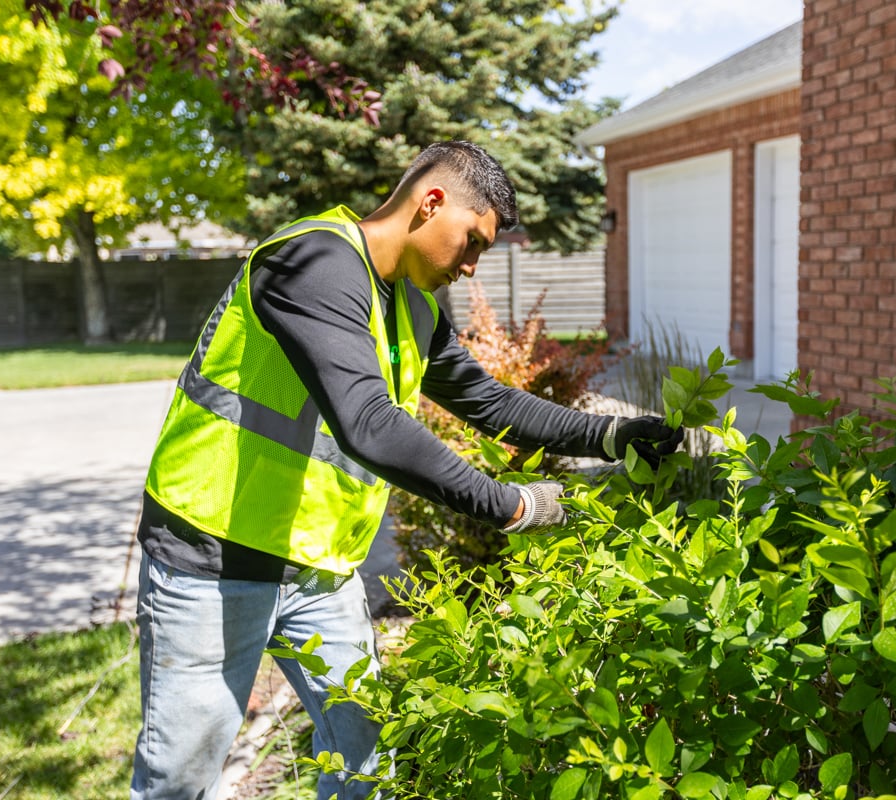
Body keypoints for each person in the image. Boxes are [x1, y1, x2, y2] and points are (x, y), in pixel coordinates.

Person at [130, 140, 683, 800]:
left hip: (317, 568)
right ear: (431, 201)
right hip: (212, 556)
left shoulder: (410, 307)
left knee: (364, 755)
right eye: (473, 242)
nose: (473, 268)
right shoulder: (312, 261)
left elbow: (490, 400)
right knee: (180, 779)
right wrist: (509, 505)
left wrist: (613, 434)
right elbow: (368, 423)